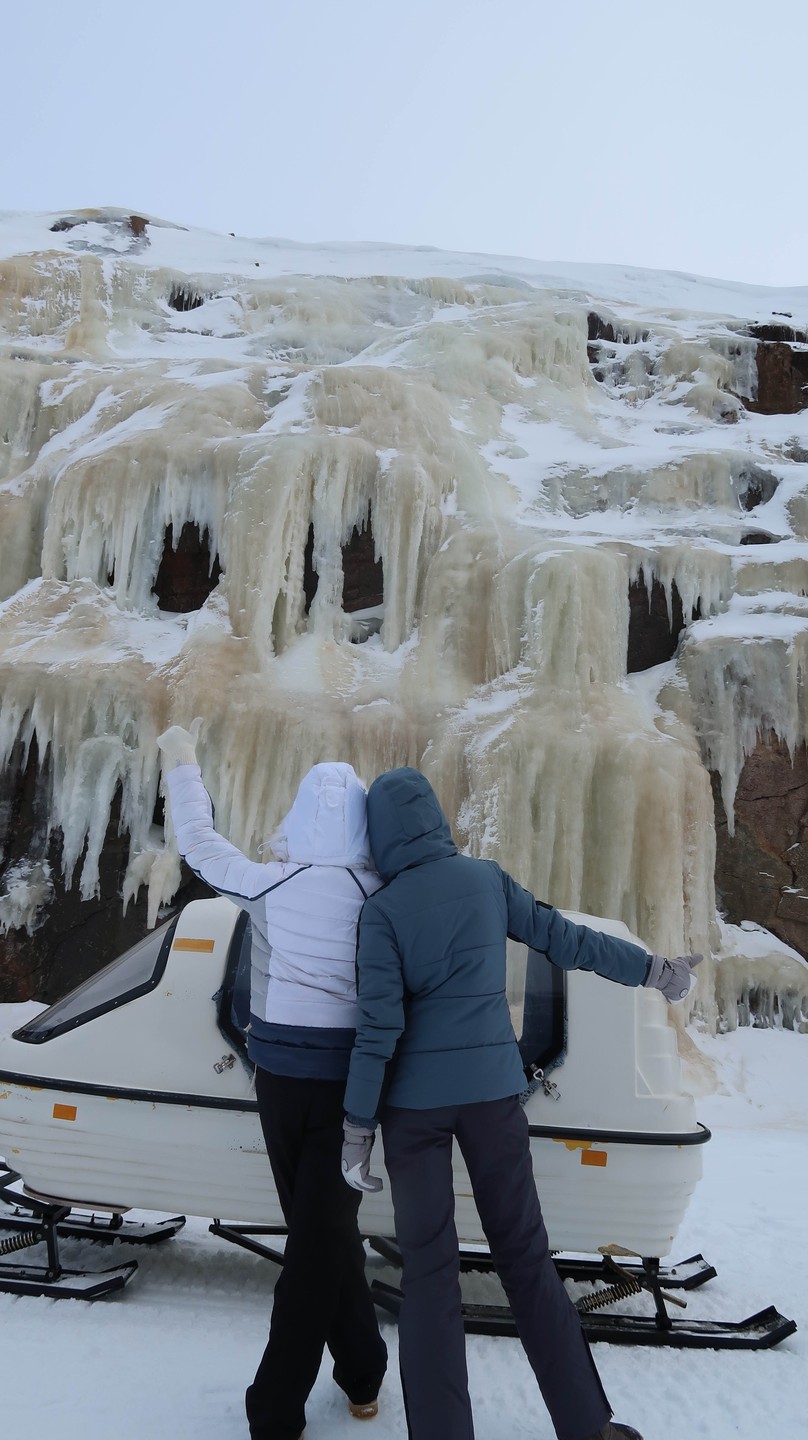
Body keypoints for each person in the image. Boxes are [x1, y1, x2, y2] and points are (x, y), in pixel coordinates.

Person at [341, 766, 702, 1440]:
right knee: (526, 1258)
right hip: (491, 1096)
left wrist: (358, 1126)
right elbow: (565, 940)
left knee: (428, 1273)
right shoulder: (485, 881)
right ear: (436, 820)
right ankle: (587, 1425)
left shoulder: (382, 912)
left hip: (413, 1113)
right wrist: (653, 970)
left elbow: (378, 1030)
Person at [157, 722, 388, 1440]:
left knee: (314, 1244)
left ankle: (276, 1410)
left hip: (279, 1086)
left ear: (296, 816)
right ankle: (362, 1373)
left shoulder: (268, 883)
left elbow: (198, 842)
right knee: (323, 1236)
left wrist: (184, 765)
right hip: (353, 1091)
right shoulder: (382, 892)